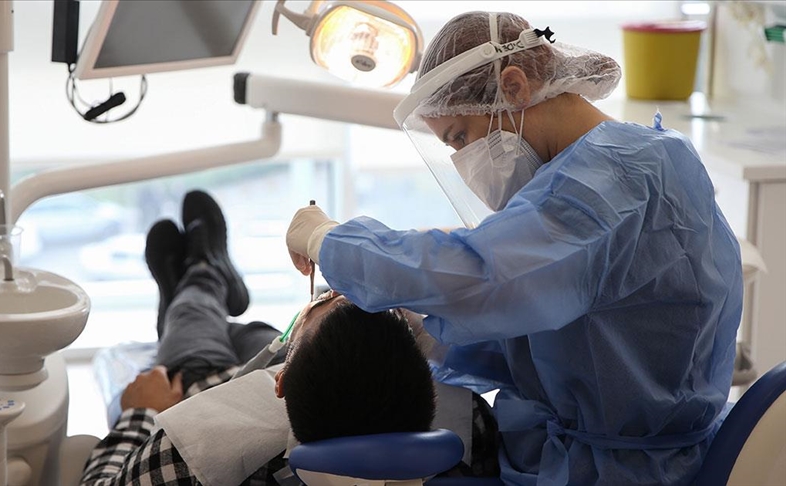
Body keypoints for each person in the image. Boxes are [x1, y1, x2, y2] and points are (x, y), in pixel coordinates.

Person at [285, 11, 744, 486]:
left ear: (514, 87)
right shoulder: (641, 159)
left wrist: (329, 241)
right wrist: (433, 337)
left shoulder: (607, 185)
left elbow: (480, 273)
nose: (463, 160)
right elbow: (571, 342)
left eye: (460, 136)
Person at [81, 190, 499, 485]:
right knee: (254, 334)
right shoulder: (473, 429)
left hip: (201, 379)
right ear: (428, 380)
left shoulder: (186, 456)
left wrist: (138, 413)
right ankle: (197, 283)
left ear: (279, 379)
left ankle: (200, 274)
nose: (327, 294)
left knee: (193, 327)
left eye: (321, 303)